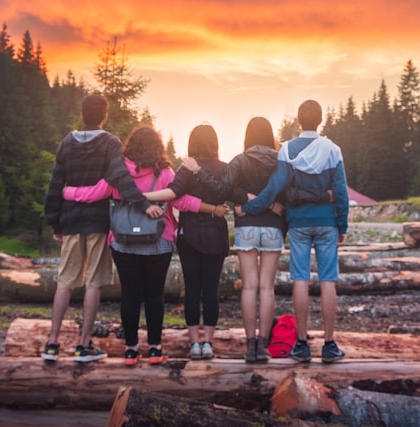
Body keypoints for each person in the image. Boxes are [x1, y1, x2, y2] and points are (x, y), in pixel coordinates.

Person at [64, 125, 205, 366]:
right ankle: (155, 349)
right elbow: (180, 201)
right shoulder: (166, 173)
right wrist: (210, 208)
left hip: (123, 242)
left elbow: (95, 193)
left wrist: (66, 192)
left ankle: (130, 350)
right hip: (158, 242)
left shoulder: (119, 171)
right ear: (158, 147)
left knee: (130, 296)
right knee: (153, 296)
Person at [41, 94, 151, 363]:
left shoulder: (67, 143)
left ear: (82, 113)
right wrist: (142, 203)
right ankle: (83, 345)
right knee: (94, 283)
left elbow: (56, 183)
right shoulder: (110, 142)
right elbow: (120, 176)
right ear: (104, 115)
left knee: (64, 282)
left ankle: (52, 344)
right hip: (99, 222)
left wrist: (55, 220)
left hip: (70, 220)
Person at [241, 100, 350, 364]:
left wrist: (252, 205)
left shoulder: (287, 150)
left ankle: (301, 344)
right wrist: (342, 225)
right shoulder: (333, 149)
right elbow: (342, 191)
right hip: (326, 223)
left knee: (300, 279)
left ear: (299, 121)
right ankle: (329, 344)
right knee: (328, 280)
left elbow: (276, 185)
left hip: (299, 224)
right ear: (320, 120)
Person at [181, 117, 285, 363]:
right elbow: (288, 192)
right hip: (272, 225)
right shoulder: (280, 160)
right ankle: (263, 345)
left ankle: (250, 346)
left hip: (247, 225)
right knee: (267, 288)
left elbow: (224, 191)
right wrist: (275, 209)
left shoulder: (239, 161)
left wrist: (244, 200)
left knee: (249, 286)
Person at [141, 124, 231, 360]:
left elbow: (173, 194)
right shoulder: (225, 168)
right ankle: (208, 343)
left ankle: (194, 344)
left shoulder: (187, 168)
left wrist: (142, 196)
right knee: (211, 289)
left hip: (189, 234)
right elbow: (225, 192)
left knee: (192, 289)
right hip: (215, 233)